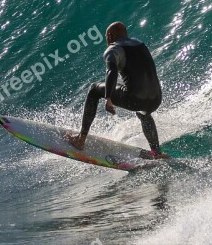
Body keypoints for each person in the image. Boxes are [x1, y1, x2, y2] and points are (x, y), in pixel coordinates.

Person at [66, 22, 169, 160]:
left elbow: (111, 72)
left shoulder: (112, 49)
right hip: (156, 98)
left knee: (94, 89)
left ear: (109, 35)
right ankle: (157, 153)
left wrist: (108, 98)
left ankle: (81, 139)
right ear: (125, 33)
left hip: (135, 98)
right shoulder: (140, 44)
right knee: (144, 114)